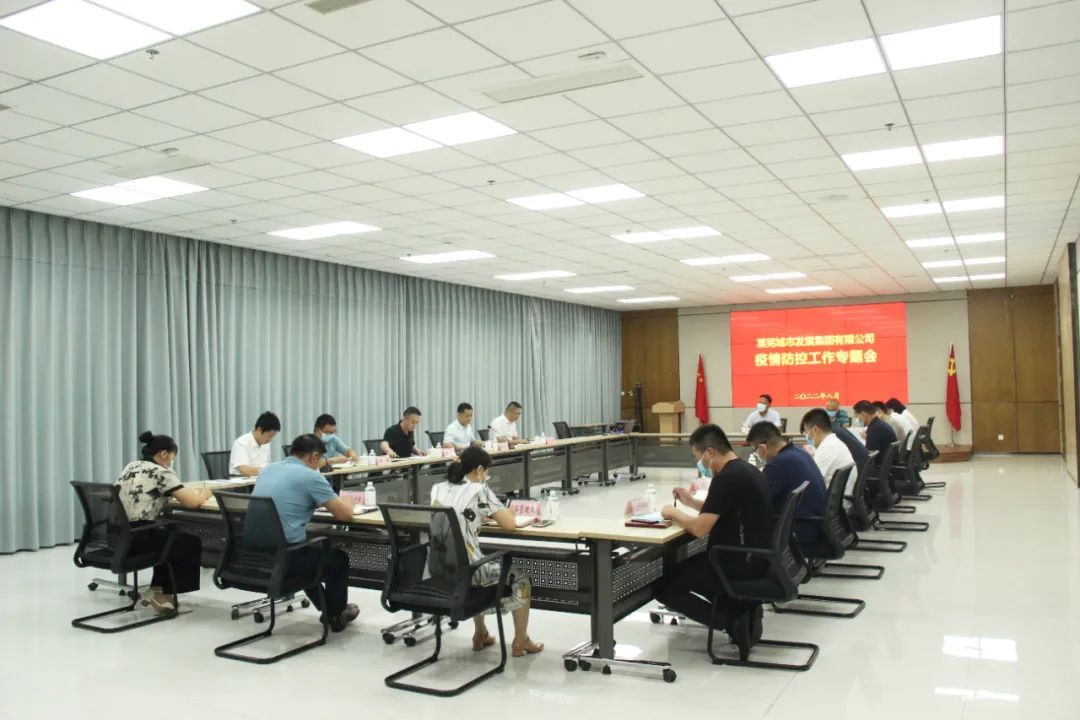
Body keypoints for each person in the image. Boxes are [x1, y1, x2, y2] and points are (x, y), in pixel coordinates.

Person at [658, 424, 773, 660]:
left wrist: (672, 512)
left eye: (697, 457)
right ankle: (742, 609)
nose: (698, 463)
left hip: (736, 562)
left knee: (664, 585)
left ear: (709, 452)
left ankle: (731, 621)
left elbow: (700, 529)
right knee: (688, 570)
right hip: (755, 556)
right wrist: (690, 502)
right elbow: (721, 507)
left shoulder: (727, 478)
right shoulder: (745, 470)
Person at [430, 447, 543, 657]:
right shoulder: (479, 489)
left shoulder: (439, 488)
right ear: (480, 470)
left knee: (476, 561)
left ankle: (480, 633)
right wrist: (509, 512)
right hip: (470, 572)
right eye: (487, 471)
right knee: (521, 578)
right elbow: (509, 525)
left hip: (440, 570)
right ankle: (521, 641)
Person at [252, 434, 360, 632]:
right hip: (286, 559)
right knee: (337, 558)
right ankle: (336, 615)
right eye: (319, 461)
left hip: (256, 556)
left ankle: (328, 609)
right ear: (314, 457)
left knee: (311, 552)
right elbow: (344, 515)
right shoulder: (311, 476)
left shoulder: (269, 469)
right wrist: (349, 502)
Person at [115, 431, 212, 614]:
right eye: (171, 459)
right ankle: (164, 596)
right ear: (164, 454)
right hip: (138, 537)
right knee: (187, 542)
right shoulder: (161, 472)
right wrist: (205, 493)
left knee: (169, 536)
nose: (170, 463)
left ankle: (155, 589)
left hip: (118, 534)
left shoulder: (131, 466)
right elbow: (192, 502)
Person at [746, 421, 828, 545]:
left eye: (755, 450)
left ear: (762, 448)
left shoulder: (777, 465)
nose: (756, 454)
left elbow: (757, 502)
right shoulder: (800, 453)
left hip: (800, 532)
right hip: (817, 526)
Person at [800, 409, 856, 496]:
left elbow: (811, 482)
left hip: (832, 500)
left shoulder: (826, 448)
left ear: (815, 430)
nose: (806, 436)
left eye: (806, 432)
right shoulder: (833, 442)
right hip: (841, 497)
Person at [229, 411, 280, 477]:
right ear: (259, 429)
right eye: (270, 436)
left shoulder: (266, 444)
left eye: (273, 436)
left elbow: (267, 466)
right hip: (242, 481)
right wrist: (268, 471)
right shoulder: (241, 443)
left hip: (261, 479)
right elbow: (244, 470)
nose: (270, 440)